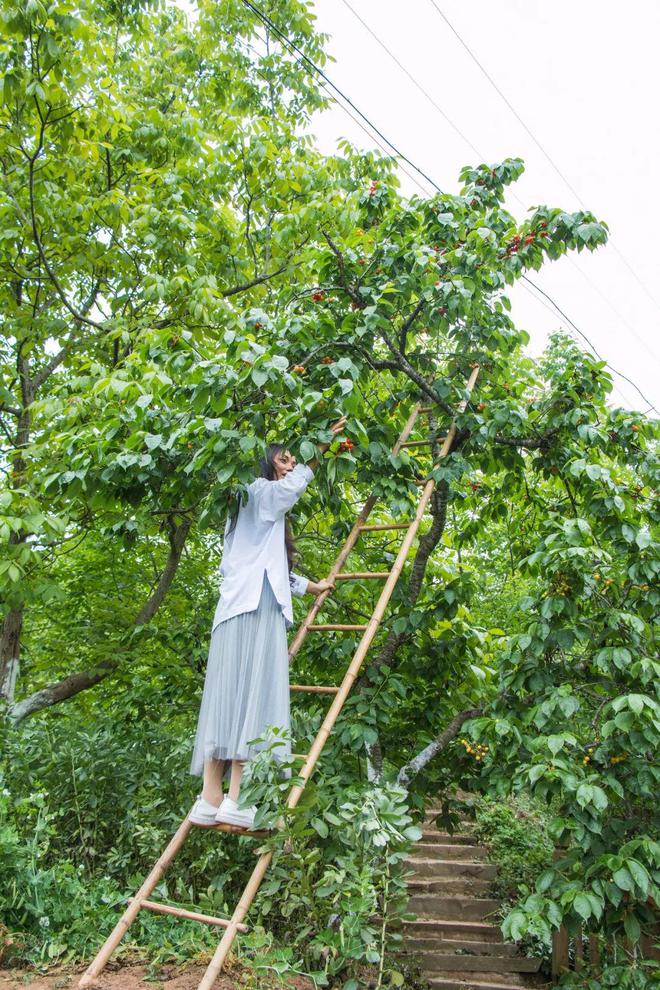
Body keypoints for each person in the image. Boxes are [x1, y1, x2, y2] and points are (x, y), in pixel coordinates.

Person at [188, 415, 349, 830]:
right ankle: (237, 800)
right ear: (268, 460)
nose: (292, 463)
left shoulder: (240, 502)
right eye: (286, 457)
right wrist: (321, 449)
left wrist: (309, 587)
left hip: (231, 607)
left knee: (226, 697)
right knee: (252, 697)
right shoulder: (259, 491)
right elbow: (288, 492)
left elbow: (266, 562)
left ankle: (210, 798)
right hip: (256, 605)